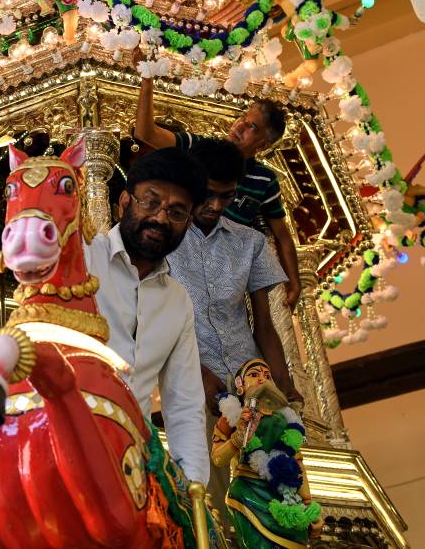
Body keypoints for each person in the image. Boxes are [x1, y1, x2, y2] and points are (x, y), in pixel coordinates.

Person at [165, 139, 301, 517]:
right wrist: (201, 376)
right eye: (208, 195)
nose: (215, 206)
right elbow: (157, 323)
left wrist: (284, 388)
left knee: (277, 499)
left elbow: (265, 327)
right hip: (195, 392)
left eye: (226, 197)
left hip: (256, 388)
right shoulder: (162, 239)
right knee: (218, 506)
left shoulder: (250, 242)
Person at [83, 147, 210, 484]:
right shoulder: (81, 260)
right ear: (125, 202)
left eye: (177, 212)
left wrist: (194, 493)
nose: (161, 218)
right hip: (63, 446)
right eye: (150, 202)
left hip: (130, 469)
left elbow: (184, 404)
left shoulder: (177, 301)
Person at [134, 75, 302, 310]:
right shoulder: (199, 148)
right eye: (243, 118)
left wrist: (294, 283)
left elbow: (282, 235)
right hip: (179, 254)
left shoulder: (265, 180)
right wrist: (147, 80)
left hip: (227, 272)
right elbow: (146, 134)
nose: (239, 126)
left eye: (252, 127)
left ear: (263, 145)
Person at [211, 358, 322, 548]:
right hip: (248, 494)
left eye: (267, 375)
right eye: (254, 374)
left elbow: (297, 463)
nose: (262, 378)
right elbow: (218, 458)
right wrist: (238, 438)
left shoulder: (286, 420)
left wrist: (308, 502)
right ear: (240, 386)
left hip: (286, 496)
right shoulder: (232, 418)